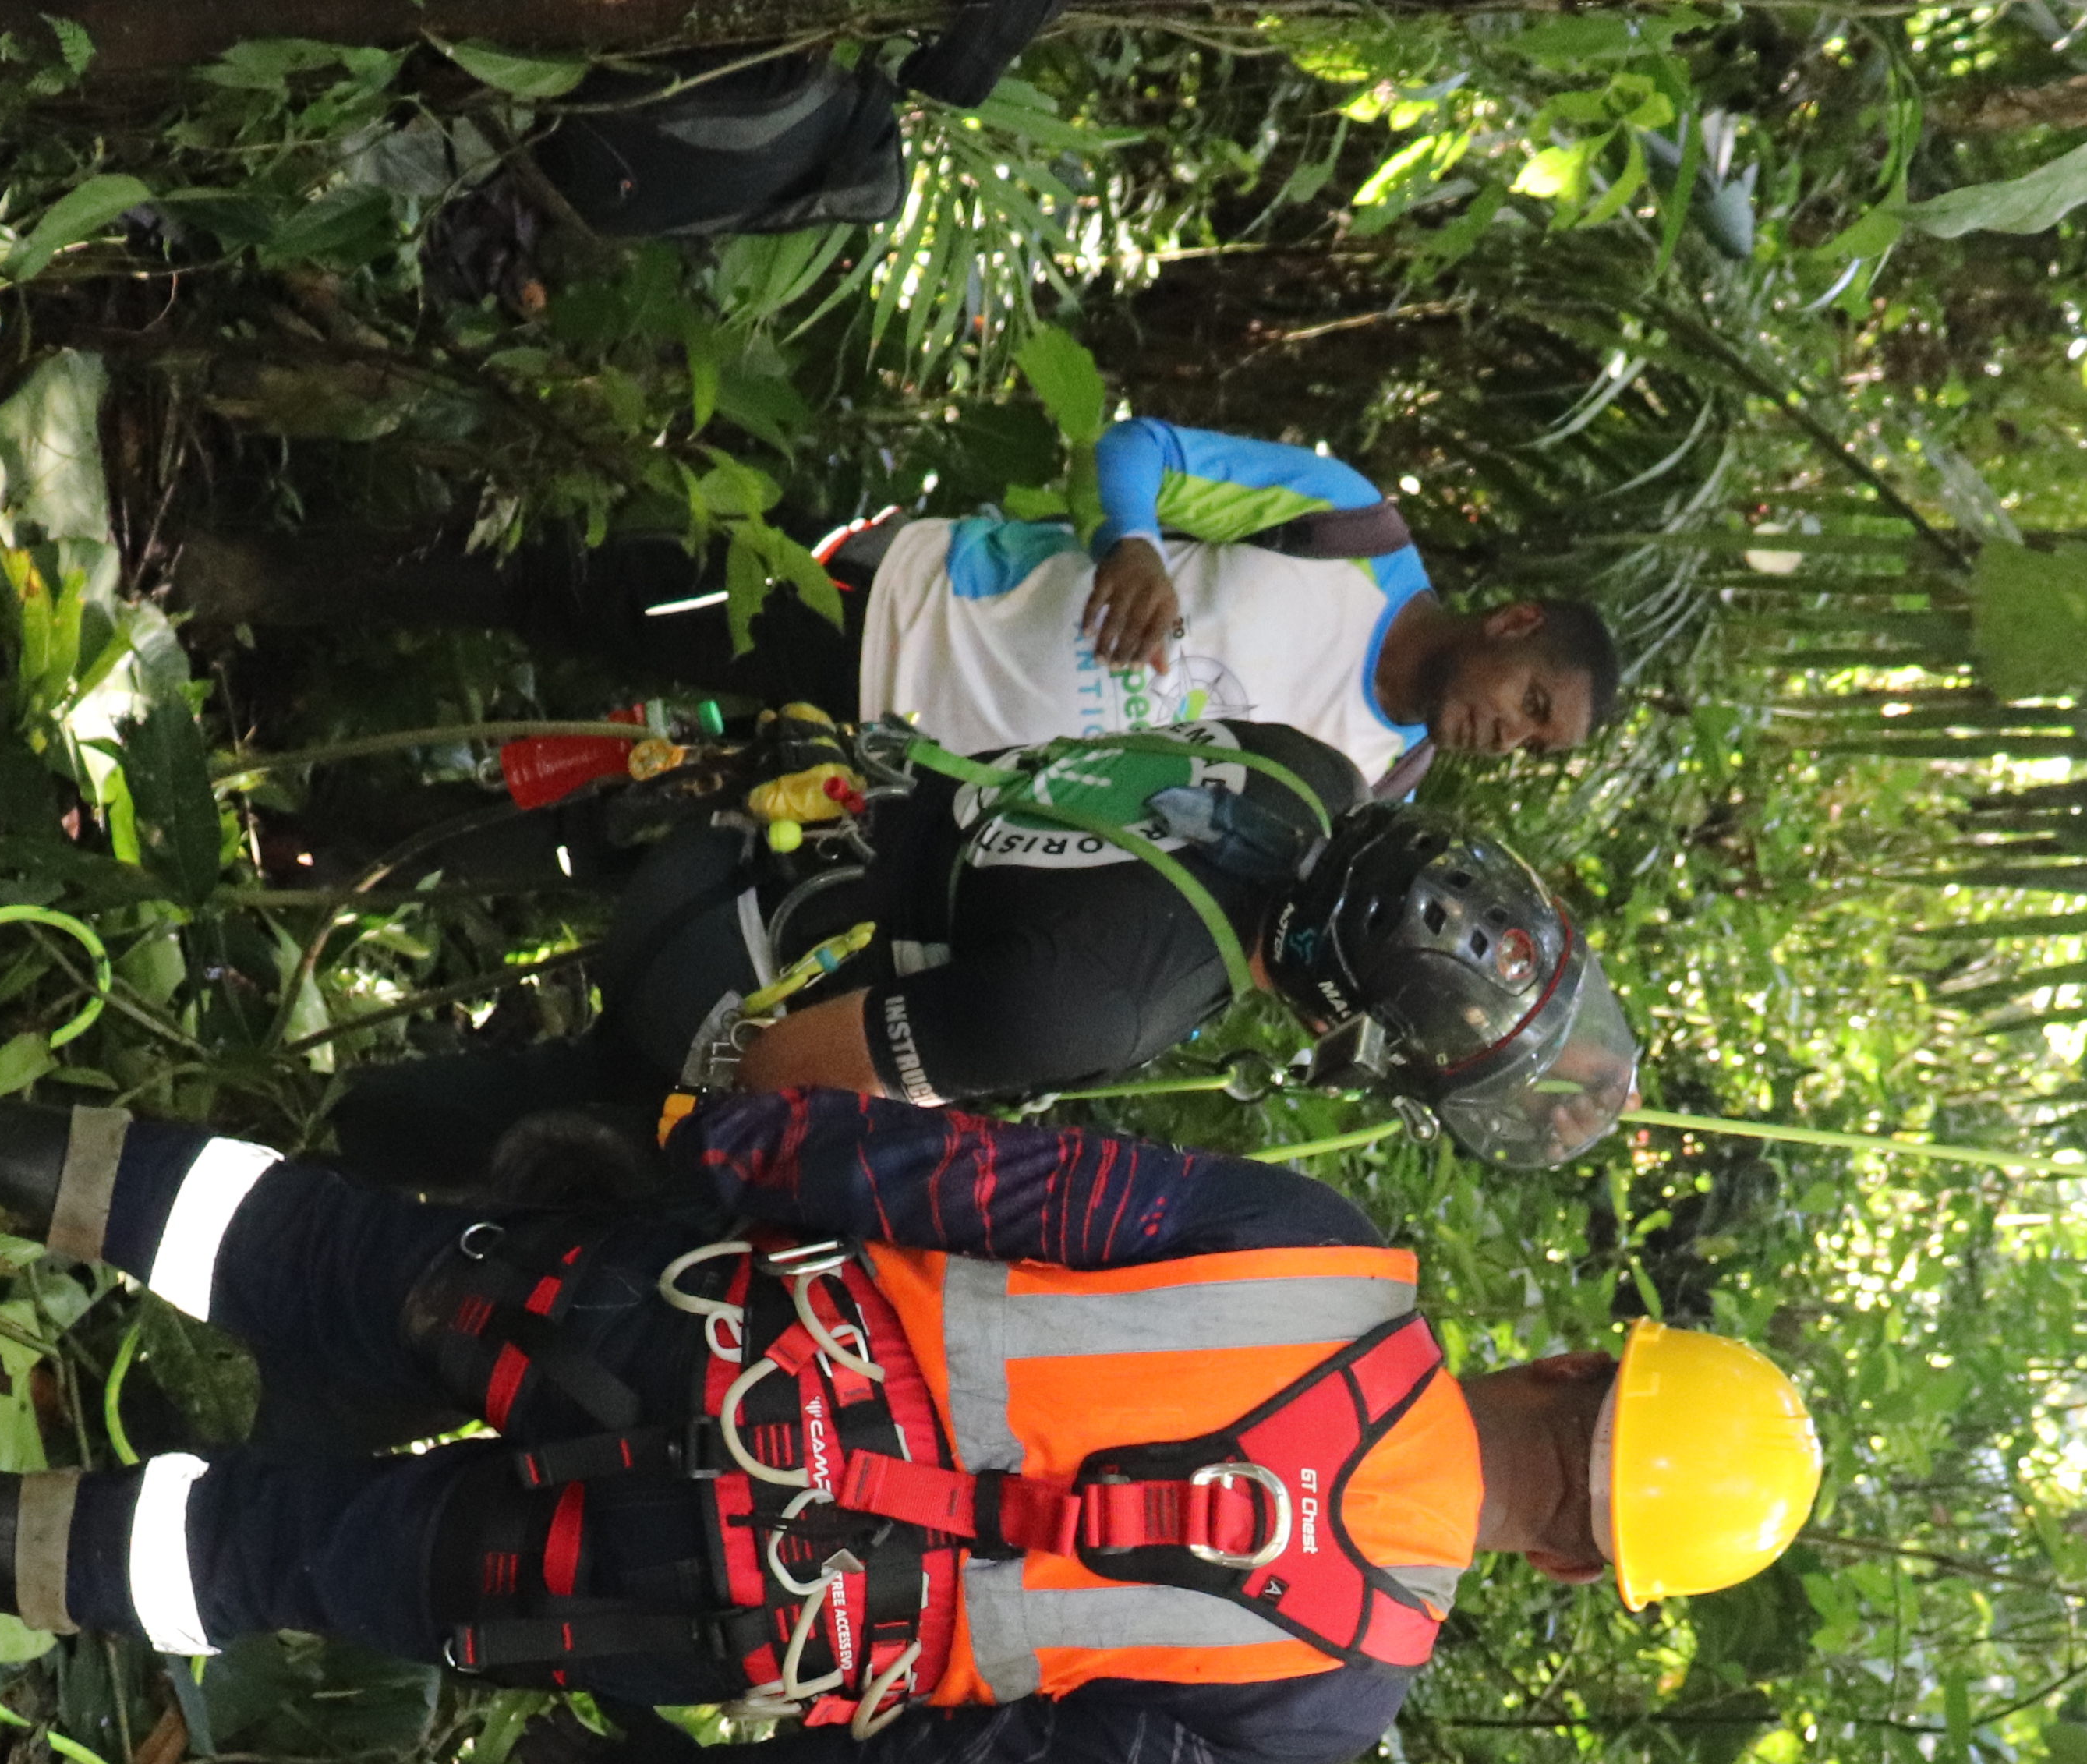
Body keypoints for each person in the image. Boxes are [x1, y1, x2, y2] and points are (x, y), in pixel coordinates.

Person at [0, 1088, 1822, 1764]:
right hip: (696, 1592)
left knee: (293, 1245)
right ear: (1575, 1568)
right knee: (247, 1564)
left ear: (1564, 1365)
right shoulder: (1333, 1694)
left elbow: (1002, 1181)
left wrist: (704, 1147)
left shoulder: (1330, 1267)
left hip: (693, 1330)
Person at [325, 725, 1641, 1193]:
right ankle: (328, 1149)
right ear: (1346, 1026)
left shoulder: (1298, 768)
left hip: (793, 810)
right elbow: (782, 1072)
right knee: (625, 1133)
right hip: (730, 951)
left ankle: (308, 892)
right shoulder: (1114, 1000)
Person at [189, 417, 1622, 799]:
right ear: (1512, 630)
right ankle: (241, 580)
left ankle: (281, 782)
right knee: (568, 599)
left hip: (895, 793)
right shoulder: (1354, 530)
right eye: (1535, 707)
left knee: (586, 806)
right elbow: (1143, 451)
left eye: (1538, 747)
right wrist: (1129, 544)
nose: (1514, 740)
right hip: (884, 619)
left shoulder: (1389, 777)